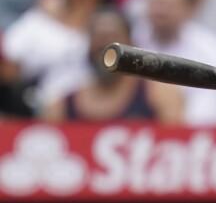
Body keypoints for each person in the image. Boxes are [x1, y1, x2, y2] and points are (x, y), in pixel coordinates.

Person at [2, 0, 115, 110]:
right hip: (37, 109)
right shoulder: (39, 20)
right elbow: (8, 64)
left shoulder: (113, 24)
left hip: (99, 109)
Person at [42, 7, 183, 123]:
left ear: (131, 44)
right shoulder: (61, 107)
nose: (105, 46)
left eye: (113, 37)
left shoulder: (159, 97)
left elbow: (175, 142)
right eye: (98, 37)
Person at [132, 0, 216, 125]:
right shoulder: (132, 39)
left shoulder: (211, 49)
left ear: (189, 8)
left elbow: (214, 112)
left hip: (189, 136)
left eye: (169, 4)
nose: (161, 11)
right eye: (156, 2)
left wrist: (172, 115)